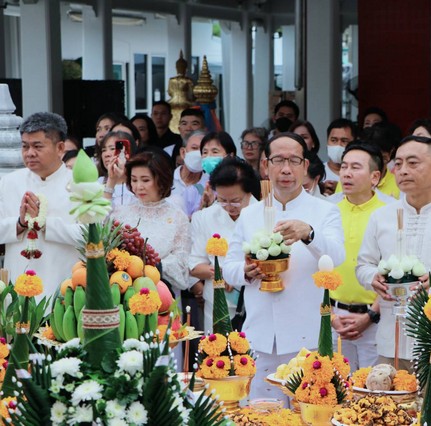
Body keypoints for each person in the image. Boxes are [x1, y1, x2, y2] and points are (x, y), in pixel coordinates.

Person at [223, 132, 345, 400]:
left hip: (307, 336)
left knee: (307, 411)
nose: (286, 169)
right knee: (261, 411)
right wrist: (245, 272)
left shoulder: (324, 211)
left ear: (305, 166)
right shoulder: (249, 214)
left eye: (294, 161)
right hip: (260, 335)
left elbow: (337, 257)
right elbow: (229, 266)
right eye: (278, 160)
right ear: (265, 166)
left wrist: (309, 233)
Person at [356, 135, 431, 371]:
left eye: (413, 163)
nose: (403, 170)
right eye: (398, 163)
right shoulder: (381, 217)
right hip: (391, 340)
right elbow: (363, 265)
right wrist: (373, 278)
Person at [0, 112, 82, 298]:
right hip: (18, 284)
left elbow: (90, 236)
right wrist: (19, 224)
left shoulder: (81, 186)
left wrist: (45, 224)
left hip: (63, 283)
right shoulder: (8, 183)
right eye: (25, 146)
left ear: (60, 148)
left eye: (37, 146)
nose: (30, 153)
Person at [330, 142, 386, 370]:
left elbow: (395, 271)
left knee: (372, 385)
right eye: (344, 167)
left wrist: (371, 315)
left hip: (375, 319)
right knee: (334, 385)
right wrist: (331, 316)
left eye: (355, 167)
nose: (347, 173)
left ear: (375, 177)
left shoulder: (388, 212)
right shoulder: (328, 210)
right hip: (333, 318)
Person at [189, 157, 260, 332]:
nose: (228, 207)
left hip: (257, 304)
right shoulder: (205, 217)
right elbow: (195, 265)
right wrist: (222, 273)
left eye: (235, 200)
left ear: (249, 192)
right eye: (222, 200)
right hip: (218, 305)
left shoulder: (264, 214)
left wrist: (238, 274)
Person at [112, 149, 191, 303]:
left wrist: (148, 266)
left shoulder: (177, 217)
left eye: (145, 180)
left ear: (161, 180)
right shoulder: (121, 213)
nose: (138, 186)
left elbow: (182, 265)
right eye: (134, 180)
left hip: (162, 296)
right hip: (124, 295)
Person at [173, 130, 209, 217]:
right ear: (183, 153)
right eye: (194, 148)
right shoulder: (166, 180)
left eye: (203, 151)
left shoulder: (210, 185)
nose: (199, 154)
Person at [98, 131, 137, 207]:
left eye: (112, 148)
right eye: (104, 150)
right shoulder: (97, 183)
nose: (106, 154)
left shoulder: (138, 183)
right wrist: (111, 181)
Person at [324, 118, 357, 196]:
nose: (338, 145)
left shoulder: (359, 173)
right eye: (333, 140)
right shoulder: (318, 173)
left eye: (344, 141)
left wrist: (339, 188)